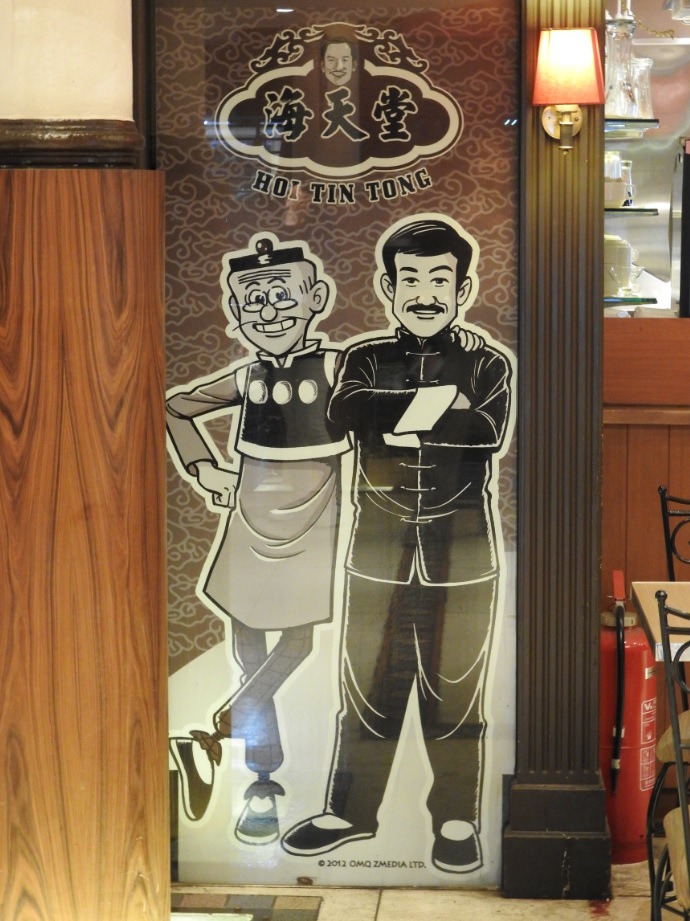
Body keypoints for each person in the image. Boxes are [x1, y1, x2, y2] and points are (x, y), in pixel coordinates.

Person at [281, 215, 514, 873]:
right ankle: (349, 813)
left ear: (463, 289)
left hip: (462, 550)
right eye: (410, 279)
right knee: (366, 684)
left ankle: (456, 820)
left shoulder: (489, 363)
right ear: (388, 287)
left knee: (455, 689)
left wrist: (399, 414)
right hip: (378, 547)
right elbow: (345, 412)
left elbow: (486, 429)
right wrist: (439, 406)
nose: (424, 293)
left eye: (440, 279)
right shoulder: (362, 357)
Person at [166, 233, 349, 845]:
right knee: (249, 649)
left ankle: (215, 732)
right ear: (236, 313)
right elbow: (177, 407)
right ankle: (262, 783)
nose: (268, 311)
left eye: (281, 296)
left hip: (313, 521)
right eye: (253, 301)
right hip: (248, 519)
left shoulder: (337, 367)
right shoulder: (246, 376)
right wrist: (204, 470)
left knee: (295, 642)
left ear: (315, 299)